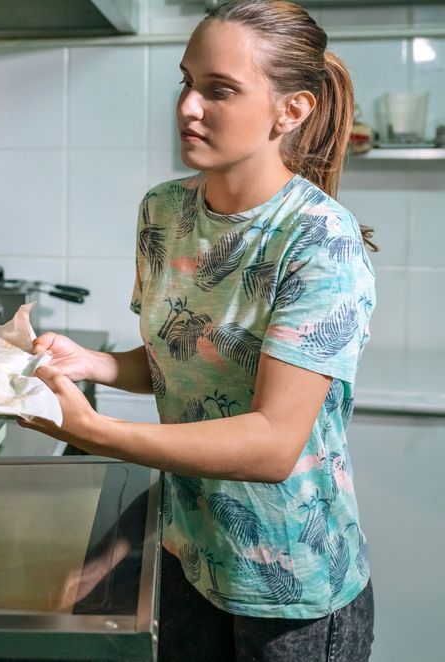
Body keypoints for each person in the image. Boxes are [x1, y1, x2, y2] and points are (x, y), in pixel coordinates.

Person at [20, 1, 377, 659]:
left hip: (290, 586)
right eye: (187, 82)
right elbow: (182, 356)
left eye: (220, 90)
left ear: (289, 111)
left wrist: (94, 432)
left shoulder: (320, 240)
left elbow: (273, 444)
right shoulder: (165, 209)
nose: (188, 106)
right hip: (190, 551)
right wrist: (95, 365)